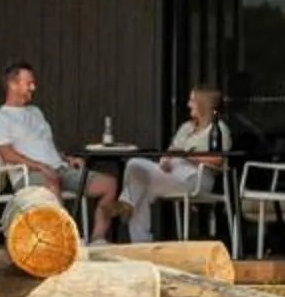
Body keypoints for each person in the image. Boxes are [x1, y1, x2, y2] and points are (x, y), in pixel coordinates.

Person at [93, 86, 232, 244]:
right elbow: (172, 150)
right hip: (172, 173)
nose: (188, 104)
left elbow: (218, 160)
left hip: (197, 178)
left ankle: (127, 206)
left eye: (192, 100)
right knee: (137, 174)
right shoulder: (187, 127)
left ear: (203, 103)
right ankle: (140, 242)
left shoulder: (218, 128)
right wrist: (166, 160)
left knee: (137, 172)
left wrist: (186, 155)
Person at [0, 62, 117, 215]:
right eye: (28, 83)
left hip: (59, 169)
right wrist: (40, 166)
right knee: (52, 183)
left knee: (109, 185)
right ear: (13, 84)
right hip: (29, 175)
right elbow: (7, 154)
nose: (33, 88)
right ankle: (62, 230)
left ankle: (97, 232)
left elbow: (46, 147)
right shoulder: (1, 118)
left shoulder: (36, 112)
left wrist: (67, 158)